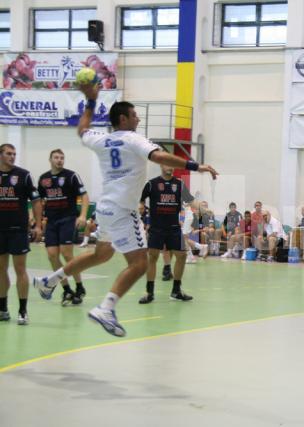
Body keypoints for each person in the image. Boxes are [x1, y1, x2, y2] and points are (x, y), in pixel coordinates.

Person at [33, 83, 217, 337]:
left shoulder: (102, 140)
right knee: (139, 263)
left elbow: (82, 129)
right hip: (123, 210)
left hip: (106, 208)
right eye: (134, 114)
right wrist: (196, 166)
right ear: (123, 118)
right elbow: (160, 157)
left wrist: (90, 101)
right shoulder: (133, 139)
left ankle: (50, 280)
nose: (138, 118)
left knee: (101, 255)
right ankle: (106, 308)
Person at [138, 165, 198, 304]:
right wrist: (141, 205)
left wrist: (203, 209)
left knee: (182, 256)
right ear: (161, 166)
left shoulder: (179, 184)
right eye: (166, 164)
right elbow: (141, 198)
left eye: (171, 164)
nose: (169, 167)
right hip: (156, 228)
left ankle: (176, 291)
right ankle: (149, 292)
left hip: (174, 227)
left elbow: (191, 200)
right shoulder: (151, 184)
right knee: (152, 257)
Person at [38, 149, 89, 306]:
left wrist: (82, 216)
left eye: (62, 158)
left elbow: (84, 196)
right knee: (52, 255)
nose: (59, 160)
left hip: (67, 218)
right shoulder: (43, 179)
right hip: (52, 221)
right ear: (50, 159)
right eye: (56, 157)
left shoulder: (71, 176)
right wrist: (37, 221)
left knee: (67, 254)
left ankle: (79, 286)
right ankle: (67, 289)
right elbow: (39, 201)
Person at [0, 144, 43, 325]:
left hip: (18, 229)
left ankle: (23, 310)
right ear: (1, 155)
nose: (12, 157)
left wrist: (38, 226)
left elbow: (36, 201)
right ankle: (3, 309)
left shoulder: (23, 175)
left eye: (14, 154)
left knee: (20, 270)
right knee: (1, 270)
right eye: (9, 154)